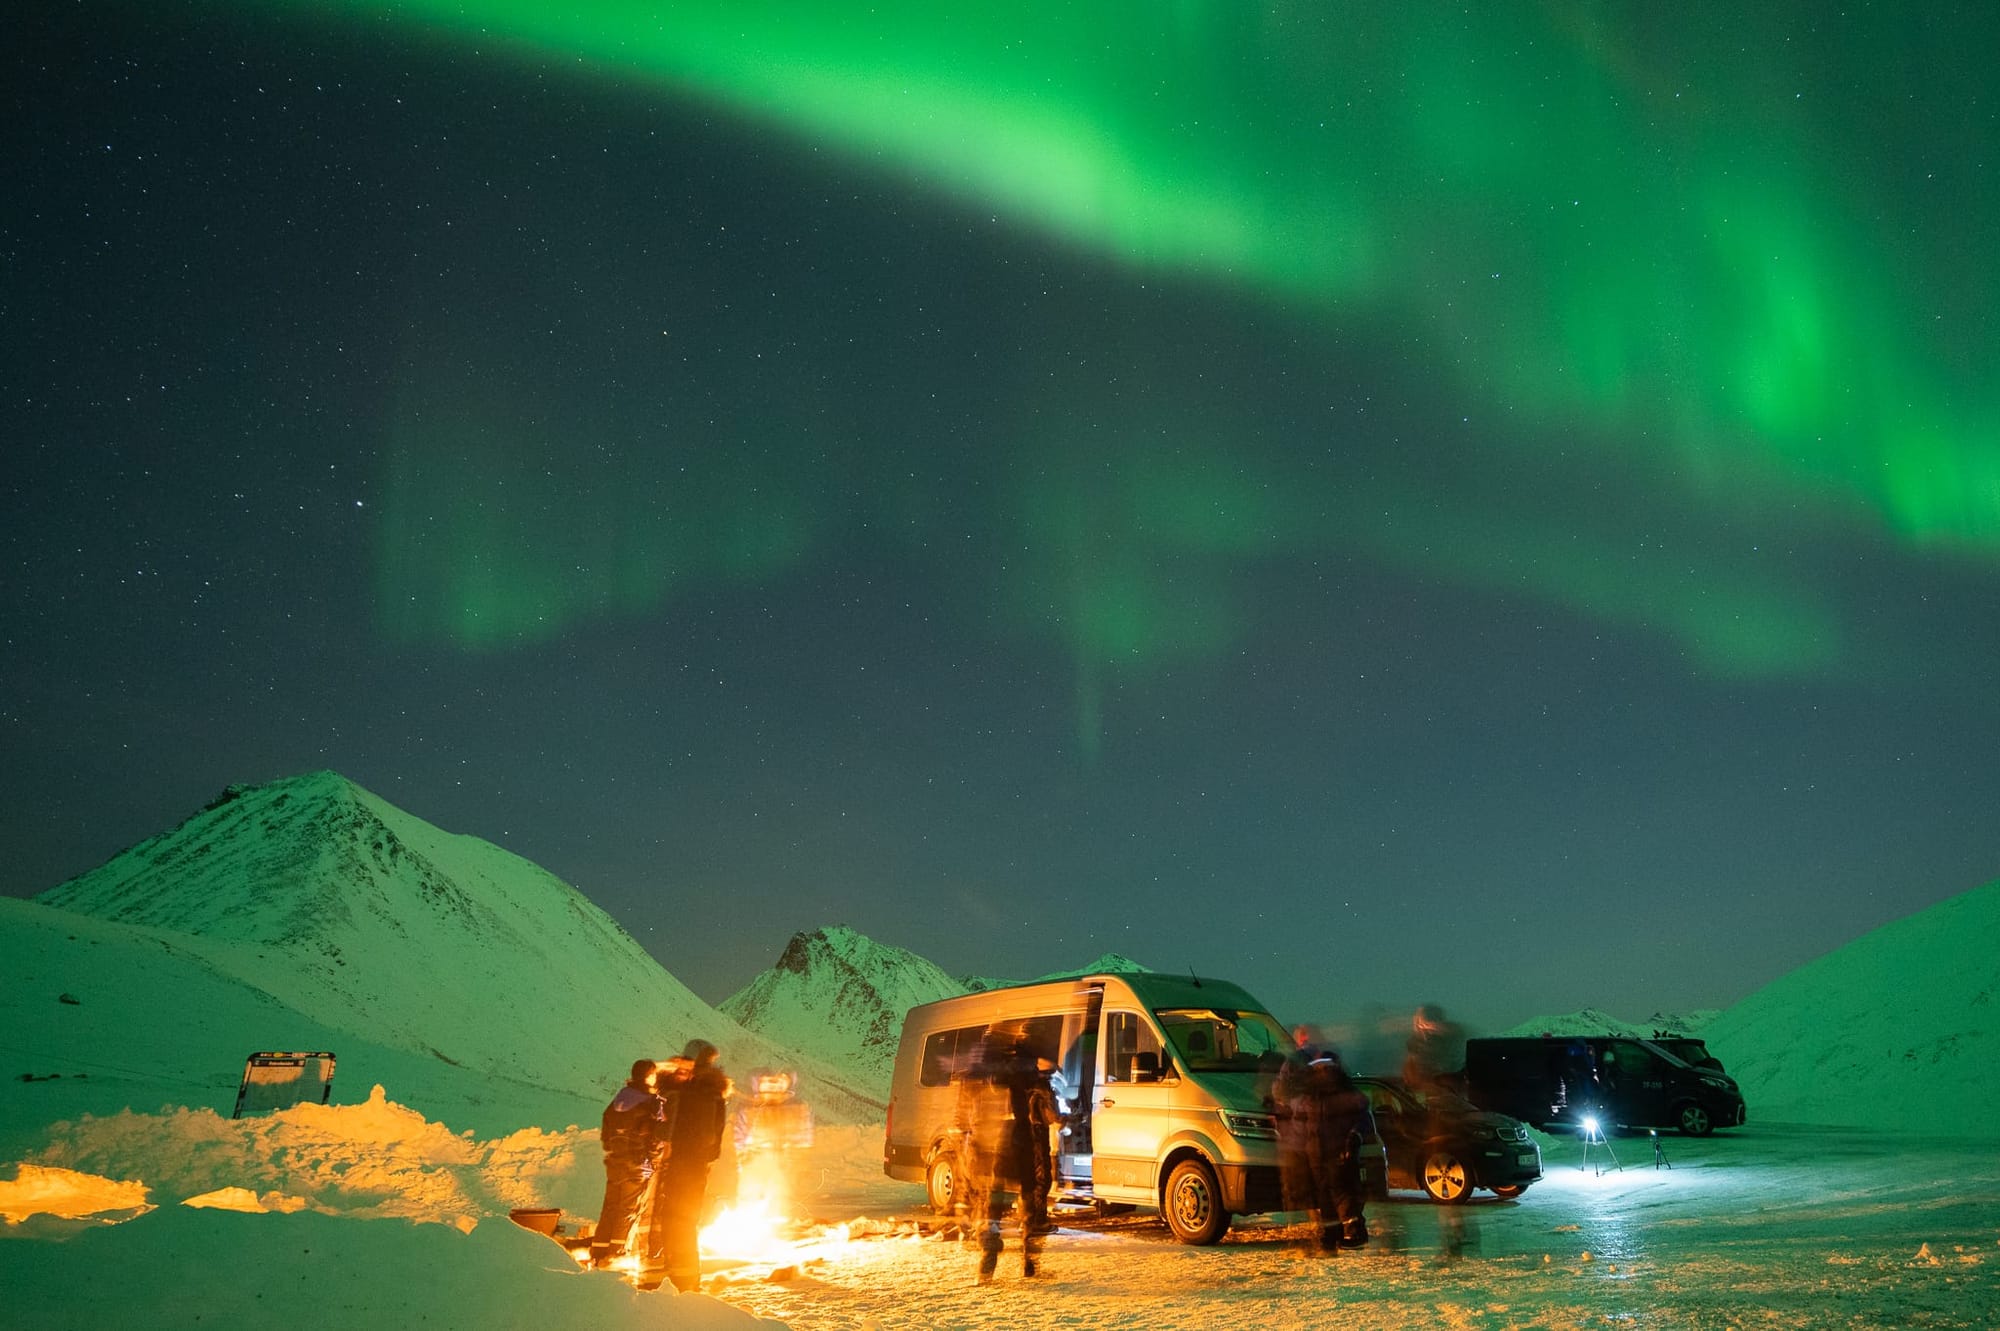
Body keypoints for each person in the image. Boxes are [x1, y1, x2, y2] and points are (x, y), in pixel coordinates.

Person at [642, 1040, 730, 1292]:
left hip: (678, 1166)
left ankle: (670, 1282)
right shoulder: (712, 1094)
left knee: (671, 1222)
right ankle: (681, 1280)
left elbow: (664, 1126)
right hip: (691, 1168)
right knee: (679, 1223)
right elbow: (714, 1143)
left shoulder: (688, 1093)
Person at [955, 1026, 1041, 1282]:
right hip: (1015, 1147)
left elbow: (961, 1118)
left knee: (991, 1208)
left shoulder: (975, 1074)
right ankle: (1028, 1259)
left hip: (986, 1152)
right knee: (1026, 1203)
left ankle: (988, 1263)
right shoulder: (1018, 1070)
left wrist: (968, 1149)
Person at [1277, 1040, 1369, 1253]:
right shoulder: (1315, 1095)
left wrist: (1353, 1138)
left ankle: (1353, 1232)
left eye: (1324, 1068)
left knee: (1340, 1192)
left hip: (1337, 1150)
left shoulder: (1337, 1094)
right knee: (1327, 1194)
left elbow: (1361, 1117)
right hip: (1319, 1151)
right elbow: (1301, 1121)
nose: (1321, 1071)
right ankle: (1333, 1233)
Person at [592, 1059, 676, 1270]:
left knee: (610, 1207)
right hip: (639, 1163)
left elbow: (606, 1130)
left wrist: (613, 1149)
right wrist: (653, 1158)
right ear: (649, 1076)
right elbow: (659, 1133)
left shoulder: (619, 1099)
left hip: (615, 1162)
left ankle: (598, 1252)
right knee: (628, 1209)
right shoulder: (651, 1102)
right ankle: (617, 1255)